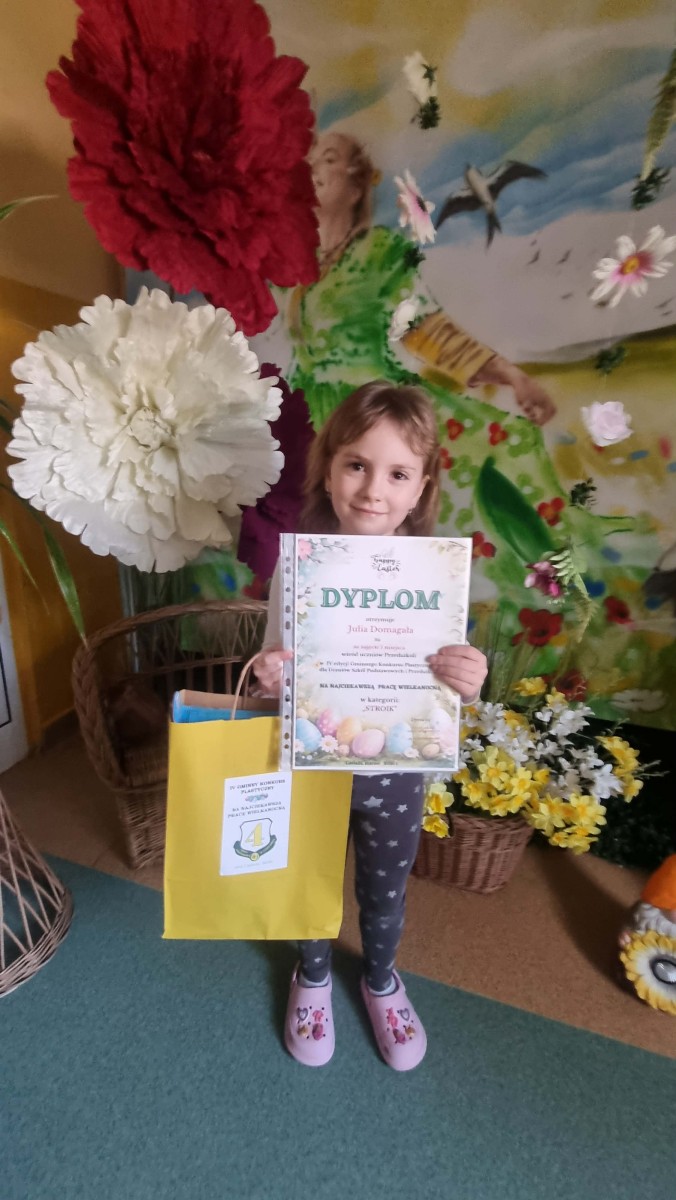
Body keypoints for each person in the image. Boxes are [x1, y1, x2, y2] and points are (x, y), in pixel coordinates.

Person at [254, 381, 488, 1071]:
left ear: (421, 487)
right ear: (328, 469)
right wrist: (268, 675)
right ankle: (312, 975)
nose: (373, 490)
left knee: (385, 891)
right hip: (313, 763)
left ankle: (381, 980)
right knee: (311, 880)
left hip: (395, 772)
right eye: (356, 464)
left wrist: (469, 677)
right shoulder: (297, 566)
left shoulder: (436, 575)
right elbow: (273, 662)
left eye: (397, 474)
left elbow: (445, 675)